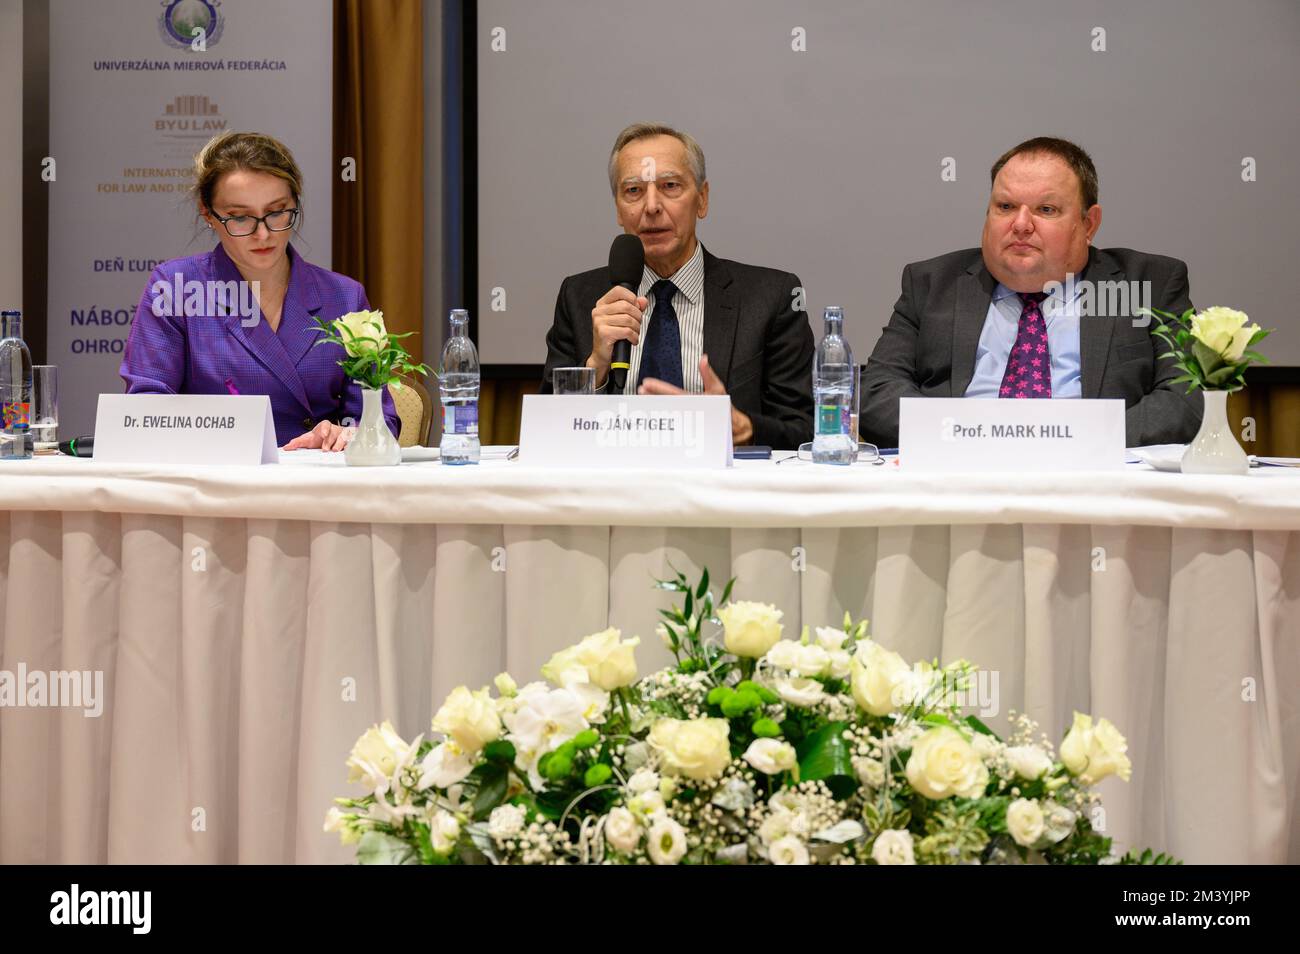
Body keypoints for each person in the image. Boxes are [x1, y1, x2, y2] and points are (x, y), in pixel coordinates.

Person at [860, 136, 1202, 448]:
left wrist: (1073, 441)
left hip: (1093, 482)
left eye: (1046, 210)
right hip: (961, 475)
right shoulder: (933, 283)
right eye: (1006, 207)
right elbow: (878, 392)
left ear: (1088, 225)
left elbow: (1183, 401)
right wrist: (965, 437)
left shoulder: (1146, 285)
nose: (1021, 224)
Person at [540, 122, 814, 449]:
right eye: (633, 191)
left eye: (670, 186)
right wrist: (596, 366)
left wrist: (742, 427)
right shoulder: (580, 296)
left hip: (722, 494)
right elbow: (547, 436)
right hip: (611, 493)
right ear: (617, 208)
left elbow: (806, 429)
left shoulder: (770, 297)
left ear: (702, 199)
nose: (652, 206)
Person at [120, 131, 399, 450]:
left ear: (296, 203)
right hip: (215, 482)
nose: (263, 234)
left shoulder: (345, 297)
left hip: (317, 483)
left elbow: (379, 420)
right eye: (240, 218)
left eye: (278, 211)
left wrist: (348, 434)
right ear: (208, 213)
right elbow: (145, 411)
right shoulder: (176, 287)